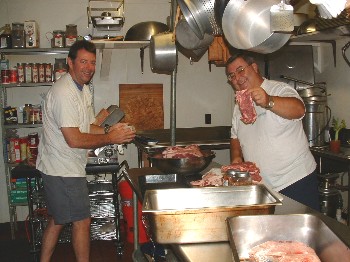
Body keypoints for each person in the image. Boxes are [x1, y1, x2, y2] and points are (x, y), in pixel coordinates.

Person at [36, 40, 136, 262]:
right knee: (82, 221)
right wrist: (110, 137)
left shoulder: (82, 89)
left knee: (58, 219)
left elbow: (86, 126)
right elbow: (73, 139)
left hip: (62, 166)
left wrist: (111, 129)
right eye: (83, 61)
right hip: (62, 168)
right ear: (70, 62)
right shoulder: (64, 92)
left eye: (92, 62)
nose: (89, 67)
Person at [226, 53, 319, 211]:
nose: (237, 78)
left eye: (241, 70)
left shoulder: (279, 89)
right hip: (262, 187)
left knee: (299, 234)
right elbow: (235, 136)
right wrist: (236, 158)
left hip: (295, 182)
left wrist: (269, 100)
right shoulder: (239, 104)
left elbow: (299, 109)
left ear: (254, 68)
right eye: (232, 76)